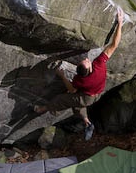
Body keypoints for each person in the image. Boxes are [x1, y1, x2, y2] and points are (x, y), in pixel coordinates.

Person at [34, 8, 124, 140]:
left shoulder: (80, 80)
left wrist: (62, 75)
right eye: (86, 61)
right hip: (96, 94)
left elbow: (71, 89)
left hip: (87, 96)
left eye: (86, 61)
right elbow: (114, 44)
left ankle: (43, 108)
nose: (87, 59)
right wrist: (120, 23)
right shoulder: (99, 65)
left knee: (61, 99)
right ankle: (88, 123)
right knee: (77, 104)